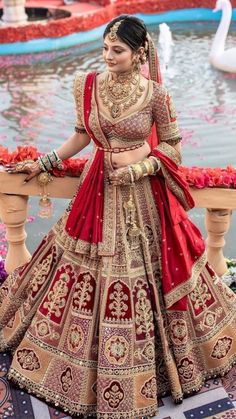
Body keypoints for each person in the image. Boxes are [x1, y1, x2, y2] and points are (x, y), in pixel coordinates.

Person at [1, 14, 236, 419]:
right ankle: (77, 364)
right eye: (105, 48)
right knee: (81, 272)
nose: (108, 56)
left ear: (139, 52)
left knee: (146, 276)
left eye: (118, 50)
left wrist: (139, 170)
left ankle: (153, 369)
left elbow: (173, 148)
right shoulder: (87, 86)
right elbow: (80, 135)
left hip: (143, 197)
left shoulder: (157, 96)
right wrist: (44, 162)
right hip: (98, 191)